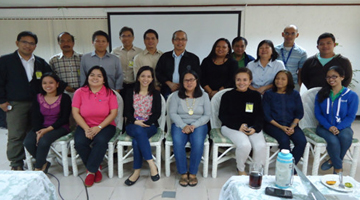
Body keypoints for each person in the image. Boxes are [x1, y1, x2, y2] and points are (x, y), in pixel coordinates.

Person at [0, 31, 53, 170]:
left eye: (31, 43)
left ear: (35, 46)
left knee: (36, 133)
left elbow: (50, 80)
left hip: (37, 103)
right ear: (17, 43)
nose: (28, 46)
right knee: (16, 134)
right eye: (24, 42)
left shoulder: (40, 62)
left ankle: (39, 160)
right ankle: (16, 163)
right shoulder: (5, 61)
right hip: (15, 103)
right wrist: (2, 101)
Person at [72, 66, 118, 187]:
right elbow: (75, 112)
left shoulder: (109, 93)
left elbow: (113, 113)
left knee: (100, 140)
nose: (95, 78)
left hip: (105, 126)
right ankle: (96, 167)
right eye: (92, 75)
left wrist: (99, 127)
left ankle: (91, 171)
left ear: (104, 79)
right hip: (84, 125)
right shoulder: (79, 92)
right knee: (80, 142)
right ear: (87, 77)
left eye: (99, 75)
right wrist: (87, 128)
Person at [219, 68, 266, 175]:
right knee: (245, 145)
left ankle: (256, 172)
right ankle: (241, 169)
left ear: (250, 81)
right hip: (230, 127)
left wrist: (255, 128)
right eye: (238, 80)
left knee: (260, 146)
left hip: (251, 127)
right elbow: (222, 116)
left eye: (245, 80)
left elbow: (260, 115)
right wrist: (238, 126)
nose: (241, 83)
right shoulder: (227, 95)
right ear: (235, 81)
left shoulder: (255, 96)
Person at [169, 70, 210, 187]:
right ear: (182, 82)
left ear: (197, 81)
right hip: (180, 124)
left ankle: (192, 173)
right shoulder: (176, 96)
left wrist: (194, 125)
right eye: (186, 80)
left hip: (199, 124)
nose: (189, 82)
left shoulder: (204, 95)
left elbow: (207, 115)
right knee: (177, 142)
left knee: (197, 142)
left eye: (192, 79)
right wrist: (183, 126)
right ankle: (182, 172)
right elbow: (173, 113)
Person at [23, 72, 71, 173]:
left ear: (57, 84)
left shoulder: (65, 98)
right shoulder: (38, 97)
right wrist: (38, 131)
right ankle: (44, 162)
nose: (48, 85)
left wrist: (46, 130)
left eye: (51, 83)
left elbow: (64, 118)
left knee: (44, 141)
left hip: (60, 127)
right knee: (28, 142)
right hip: (41, 126)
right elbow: (35, 117)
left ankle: (38, 169)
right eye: (44, 83)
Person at [315, 66, 359, 174]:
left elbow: (351, 116)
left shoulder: (351, 96)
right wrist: (329, 127)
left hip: (343, 126)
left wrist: (338, 127)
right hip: (324, 127)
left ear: (342, 77)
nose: (331, 79)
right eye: (328, 77)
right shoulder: (321, 94)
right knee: (333, 142)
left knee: (345, 137)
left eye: (334, 76)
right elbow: (318, 114)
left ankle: (332, 160)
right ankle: (338, 168)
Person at [123, 66, 161, 186]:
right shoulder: (130, 92)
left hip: (150, 125)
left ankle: (136, 171)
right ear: (138, 78)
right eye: (143, 76)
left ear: (152, 79)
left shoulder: (155, 93)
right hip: (132, 125)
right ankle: (151, 165)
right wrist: (135, 121)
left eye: (149, 76)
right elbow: (127, 112)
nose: (146, 79)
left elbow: (157, 113)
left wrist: (147, 123)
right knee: (139, 132)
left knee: (136, 141)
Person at [263, 70, 307, 165]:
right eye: (277, 78)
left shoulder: (295, 94)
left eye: (283, 79)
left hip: (291, 124)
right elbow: (266, 115)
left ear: (289, 81)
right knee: (284, 140)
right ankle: (286, 167)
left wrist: (292, 126)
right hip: (273, 125)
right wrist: (281, 127)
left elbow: (299, 113)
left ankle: (291, 166)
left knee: (302, 141)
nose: (279, 81)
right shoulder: (268, 94)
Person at [155, 30, 200, 99]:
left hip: (187, 90)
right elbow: (158, 72)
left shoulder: (193, 58)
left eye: (183, 39)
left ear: (186, 41)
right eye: (177, 39)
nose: (180, 42)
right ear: (173, 41)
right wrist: (169, 84)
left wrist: (183, 85)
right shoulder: (165, 57)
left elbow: (197, 76)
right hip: (168, 89)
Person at [111, 26, 142, 98]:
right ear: (120, 38)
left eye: (129, 36)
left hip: (134, 84)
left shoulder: (139, 52)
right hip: (120, 85)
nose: (126, 38)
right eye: (123, 36)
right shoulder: (115, 51)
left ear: (133, 37)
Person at [275, 25, 307, 91]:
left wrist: (298, 86)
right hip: (277, 84)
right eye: (287, 33)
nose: (289, 36)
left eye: (293, 33)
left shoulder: (301, 53)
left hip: (293, 84)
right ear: (282, 34)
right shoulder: (275, 50)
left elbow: (301, 72)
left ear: (297, 35)